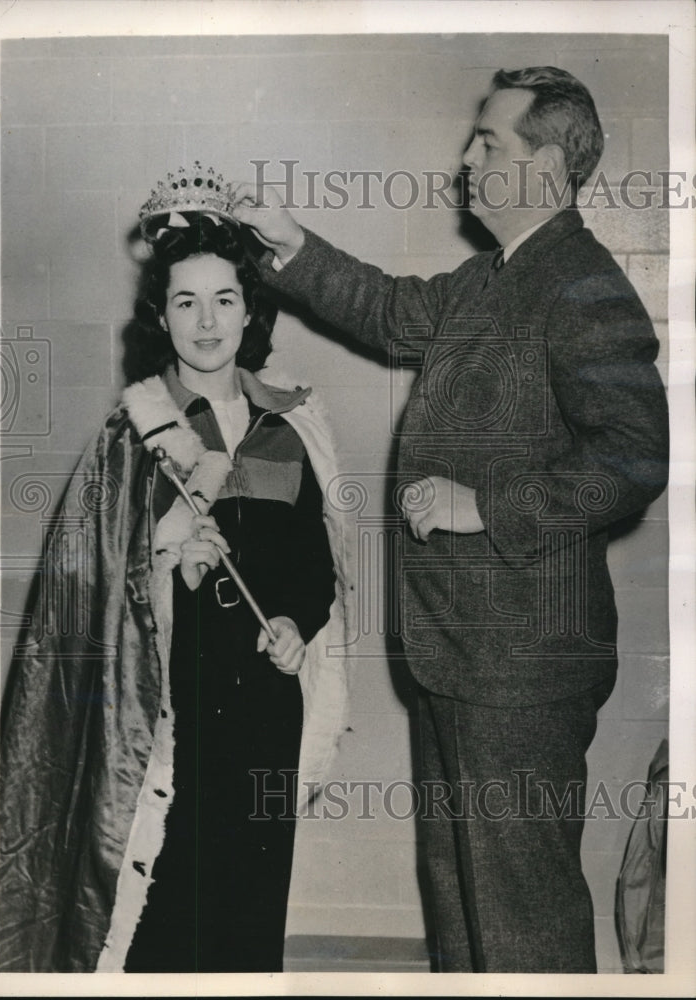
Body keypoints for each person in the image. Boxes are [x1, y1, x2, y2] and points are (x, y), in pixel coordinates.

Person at [230, 66, 670, 973]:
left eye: (487, 144)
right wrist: (289, 242)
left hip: (522, 668)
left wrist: (487, 506)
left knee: (519, 915)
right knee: (463, 903)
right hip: (459, 654)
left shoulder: (581, 286)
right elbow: (389, 310)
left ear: (544, 168)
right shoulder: (488, 279)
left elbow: (634, 457)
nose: (464, 159)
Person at [0, 192, 353, 973]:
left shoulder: (287, 427)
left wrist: (295, 620)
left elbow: (313, 566)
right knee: (169, 913)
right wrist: (164, 557)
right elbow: (89, 591)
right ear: (159, 316)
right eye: (184, 301)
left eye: (223, 298)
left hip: (266, 705)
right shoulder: (137, 436)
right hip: (172, 713)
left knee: (251, 907)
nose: (205, 320)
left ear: (247, 309)